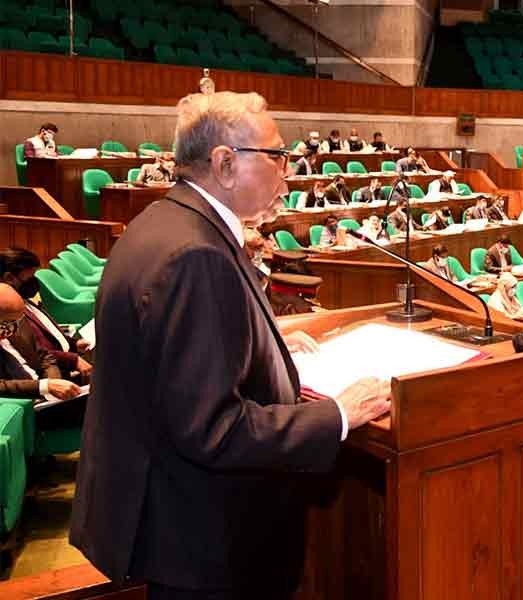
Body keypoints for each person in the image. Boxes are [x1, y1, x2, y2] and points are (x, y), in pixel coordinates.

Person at [70, 92, 393, 600]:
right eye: (277, 155)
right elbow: (214, 428)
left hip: (176, 520)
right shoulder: (194, 254)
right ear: (224, 163)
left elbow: (177, 351)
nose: (288, 169)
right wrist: (339, 415)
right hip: (203, 542)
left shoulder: (168, 222)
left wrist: (260, 334)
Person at [0, 248, 92, 378]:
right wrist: (72, 360)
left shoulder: (25, 300)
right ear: (9, 277)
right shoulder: (9, 312)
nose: (34, 282)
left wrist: (74, 344)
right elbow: (34, 353)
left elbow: (49, 335)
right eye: (30, 277)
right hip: (49, 376)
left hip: (62, 370)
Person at [0, 283, 85, 422]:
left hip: (47, 400)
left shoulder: (17, 323)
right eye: (8, 322)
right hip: (22, 410)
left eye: (17, 321)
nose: (14, 328)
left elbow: (44, 356)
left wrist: (53, 381)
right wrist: (44, 386)